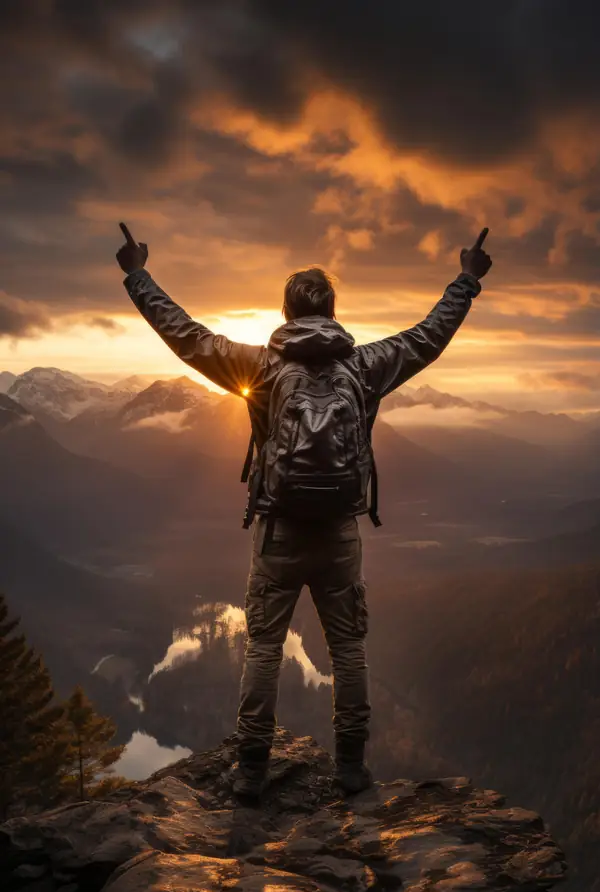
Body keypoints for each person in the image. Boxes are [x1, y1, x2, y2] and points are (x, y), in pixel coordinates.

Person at [116, 223, 492, 800]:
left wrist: (137, 273)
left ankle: (249, 770)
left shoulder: (261, 367)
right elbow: (429, 334)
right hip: (340, 529)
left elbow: (185, 334)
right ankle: (349, 767)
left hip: (278, 530)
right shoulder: (367, 366)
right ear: (334, 311)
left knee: (264, 645)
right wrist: (466, 277)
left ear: (285, 313)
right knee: (348, 649)